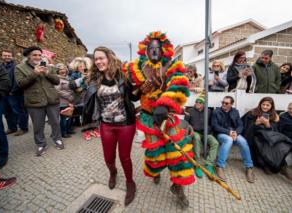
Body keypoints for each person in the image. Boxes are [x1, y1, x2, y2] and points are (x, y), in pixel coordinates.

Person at [123, 31, 194, 209]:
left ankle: (178, 187)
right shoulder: (137, 68)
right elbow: (132, 96)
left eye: (157, 48)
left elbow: (179, 84)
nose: (154, 51)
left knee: (177, 152)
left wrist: (163, 104)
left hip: (167, 117)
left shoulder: (172, 66)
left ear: (164, 50)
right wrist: (140, 90)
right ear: (145, 51)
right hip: (148, 118)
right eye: (151, 49)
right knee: (155, 154)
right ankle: (156, 170)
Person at [84, 46, 139, 206]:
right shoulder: (94, 80)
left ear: (109, 58)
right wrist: (75, 110)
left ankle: (130, 182)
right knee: (108, 158)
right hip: (106, 125)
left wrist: (142, 89)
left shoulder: (122, 77)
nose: (99, 61)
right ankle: (113, 173)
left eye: (101, 57)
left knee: (125, 157)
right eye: (96, 59)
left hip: (125, 125)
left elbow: (133, 98)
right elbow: (88, 102)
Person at [15, 46, 64, 156]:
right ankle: (41, 144)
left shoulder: (47, 65)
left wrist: (47, 73)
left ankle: (57, 139)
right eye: (34, 55)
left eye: (39, 55)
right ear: (28, 56)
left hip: (52, 99)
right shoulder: (20, 68)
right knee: (38, 125)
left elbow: (57, 81)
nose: (37, 57)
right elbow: (20, 85)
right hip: (34, 102)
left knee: (55, 122)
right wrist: (34, 74)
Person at [242, 97, 292, 181]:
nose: (265, 107)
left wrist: (268, 124)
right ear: (260, 104)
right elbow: (245, 128)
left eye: (267, 105)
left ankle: (283, 167)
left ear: (271, 106)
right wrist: (256, 124)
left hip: (269, 136)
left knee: (276, 143)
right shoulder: (252, 113)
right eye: (263, 104)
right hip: (255, 136)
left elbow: (275, 130)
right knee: (261, 142)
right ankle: (268, 166)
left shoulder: (274, 115)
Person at [211, 96, 255, 183]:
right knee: (228, 140)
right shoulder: (216, 112)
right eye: (222, 102)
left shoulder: (235, 111)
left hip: (234, 133)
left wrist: (236, 133)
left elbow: (240, 125)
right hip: (221, 133)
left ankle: (249, 167)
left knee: (243, 141)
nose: (223, 104)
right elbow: (215, 126)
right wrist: (229, 132)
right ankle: (219, 166)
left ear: (231, 104)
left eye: (226, 103)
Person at [184, 95, 219, 178]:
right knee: (196, 138)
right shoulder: (190, 111)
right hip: (195, 132)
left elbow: (212, 123)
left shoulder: (209, 111)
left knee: (215, 143)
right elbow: (186, 123)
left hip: (207, 133)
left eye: (200, 102)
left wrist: (208, 129)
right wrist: (190, 128)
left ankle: (209, 164)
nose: (197, 103)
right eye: (196, 102)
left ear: (203, 104)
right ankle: (197, 164)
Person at [1, 50, 29, 137]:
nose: (7, 57)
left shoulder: (16, 66)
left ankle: (23, 128)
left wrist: (12, 91)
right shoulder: (0, 67)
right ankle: (12, 128)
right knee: (7, 112)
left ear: (12, 56)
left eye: (9, 55)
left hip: (15, 93)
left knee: (19, 111)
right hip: (3, 94)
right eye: (5, 55)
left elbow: (18, 81)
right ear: (1, 56)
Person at [55, 63, 74, 138]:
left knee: (68, 117)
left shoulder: (67, 78)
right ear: (57, 71)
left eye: (64, 70)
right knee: (64, 118)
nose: (63, 71)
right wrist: (69, 96)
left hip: (69, 102)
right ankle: (63, 132)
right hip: (62, 102)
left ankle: (67, 130)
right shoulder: (58, 79)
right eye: (61, 70)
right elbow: (57, 91)